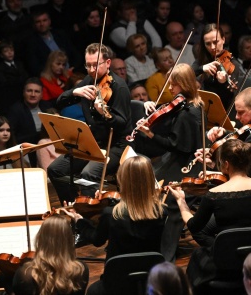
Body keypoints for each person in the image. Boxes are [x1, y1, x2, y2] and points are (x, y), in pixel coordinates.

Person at [65, 156, 167, 295]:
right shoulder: (162, 212)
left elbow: (96, 239)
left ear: (123, 180)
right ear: (150, 180)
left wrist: (80, 221)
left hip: (117, 282)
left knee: (93, 291)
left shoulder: (111, 214)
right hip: (151, 280)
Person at [132, 63, 203, 262]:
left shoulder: (189, 113)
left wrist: (150, 133)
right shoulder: (186, 105)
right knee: (146, 179)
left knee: (169, 200)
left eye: (174, 84)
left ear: (185, 84)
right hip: (179, 157)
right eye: (169, 83)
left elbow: (176, 145)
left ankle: (165, 255)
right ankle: (151, 240)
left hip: (189, 164)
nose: (170, 88)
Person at [48, 43, 132, 204]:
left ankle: (92, 217)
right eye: (88, 65)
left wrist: (105, 114)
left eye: (96, 65)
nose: (92, 70)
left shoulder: (119, 87)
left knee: (88, 174)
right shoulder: (88, 81)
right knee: (56, 170)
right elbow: (59, 102)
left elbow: (121, 123)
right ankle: (74, 206)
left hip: (115, 146)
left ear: (107, 63)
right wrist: (73, 92)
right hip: (92, 144)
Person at [168, 138, 251, 291]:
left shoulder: (214, 194)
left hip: (227, 259)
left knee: (197, 257)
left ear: (226, 164)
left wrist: (181, 202)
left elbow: (194, 227)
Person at [11, 214, 89, 295]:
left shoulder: (25, 274)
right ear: (68, 240)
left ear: (40, 237)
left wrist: (2, 276)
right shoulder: (80, 270)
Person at [192, 23, 241, 113]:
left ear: (223, 39)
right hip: (203, 110)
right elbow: (187, 73)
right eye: (208, 44)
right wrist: (202, 68)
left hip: (224, 112)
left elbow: (232, 98)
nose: (212, 47)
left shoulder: (233, 64)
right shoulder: (203, 60)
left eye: (215, 42)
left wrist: (222, 83)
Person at [25, 8, 80, 77]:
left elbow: (75, 54)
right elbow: (35, 67)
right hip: (52, 78)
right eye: (38, 22)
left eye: (44, 20)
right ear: (34, 25)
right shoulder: (31, 42)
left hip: (71, 72)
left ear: (49, 21)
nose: (42, 24)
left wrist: (73, 68)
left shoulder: (60, 34)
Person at [6, 77, 44, 146]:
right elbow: (11, 136)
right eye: (29, 91)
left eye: (36, 91)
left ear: (41, 95)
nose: (33, 94)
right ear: (23, 93)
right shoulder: (15, 110)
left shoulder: (46, 107)